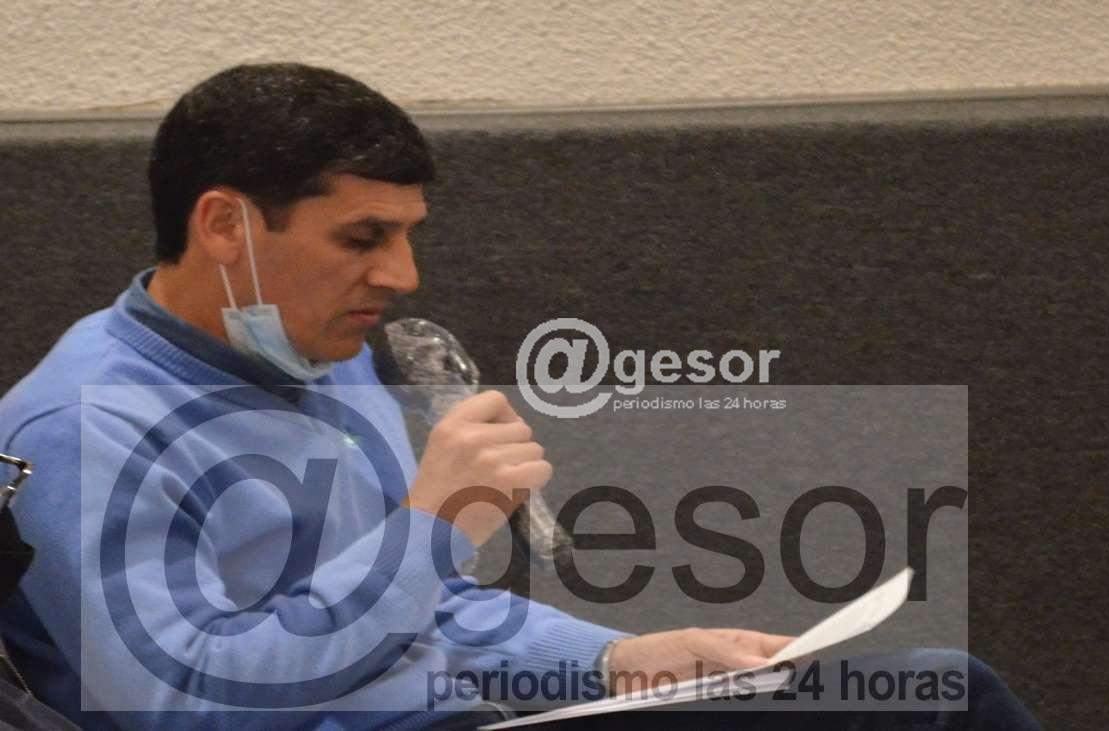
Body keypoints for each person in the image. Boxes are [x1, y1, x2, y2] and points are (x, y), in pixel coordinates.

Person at [0, 63, 1039, 730]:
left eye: (407, 235)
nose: (402, 276)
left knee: (936, 687)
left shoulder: (319, 354)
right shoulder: (86, 426)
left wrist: (617, 659)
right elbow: (184, 704)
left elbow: (429, 611)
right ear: (224, 226)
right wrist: (429, 527)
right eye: (362, 238)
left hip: (462, 712)